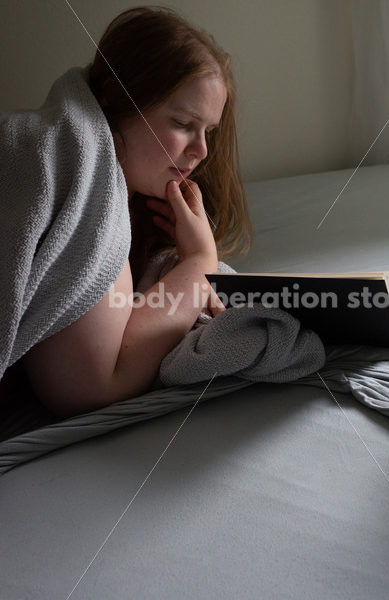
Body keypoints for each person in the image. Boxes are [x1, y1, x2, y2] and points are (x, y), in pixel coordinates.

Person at [18, 6, 252, 417]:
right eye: (182, 122)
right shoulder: (85, 178)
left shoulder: (121, 195)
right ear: (112, 97)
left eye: (209, 131)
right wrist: (200, 261)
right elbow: (90, 386)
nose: (202, 151)